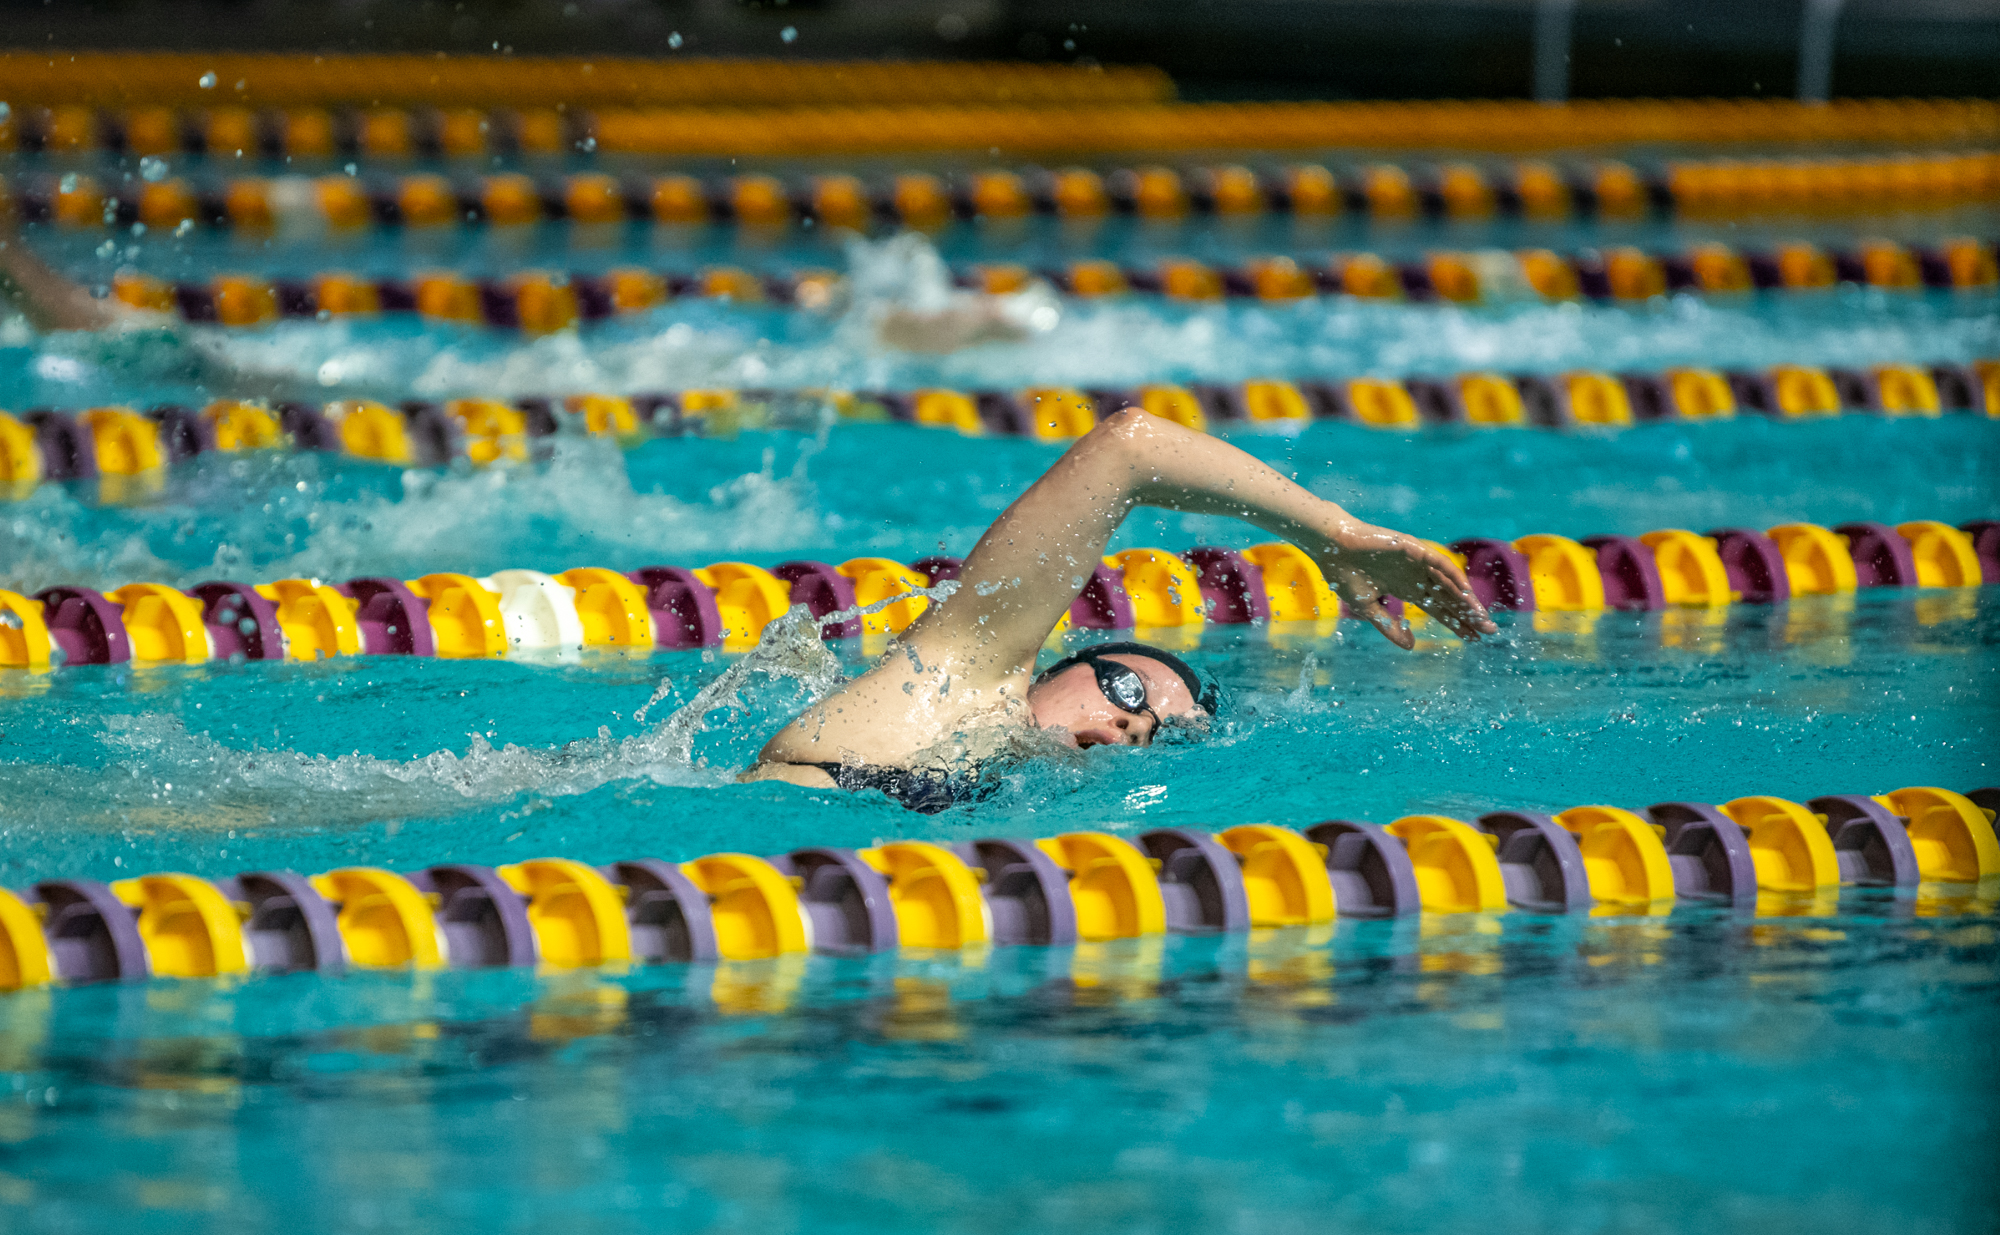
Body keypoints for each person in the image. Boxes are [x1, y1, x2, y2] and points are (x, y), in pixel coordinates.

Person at [742, 406, 1495, 810]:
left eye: (1155, 733)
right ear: (1059, 666)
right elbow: (1128, 451)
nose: (1135, 724)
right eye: (1129, 691)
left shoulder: (1016, 820)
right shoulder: (955, 681)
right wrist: (1335, 533)